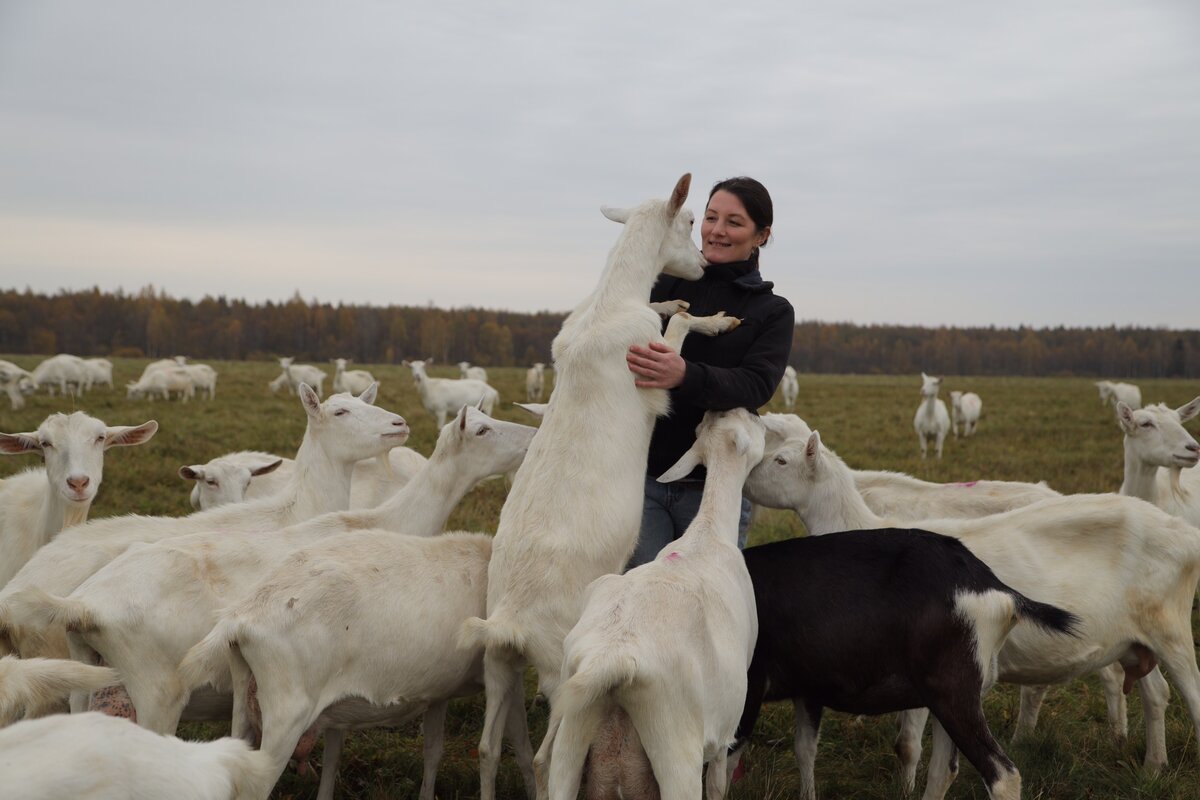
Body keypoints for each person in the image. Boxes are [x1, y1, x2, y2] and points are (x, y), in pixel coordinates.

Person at [625, 176, 795, 568]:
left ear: (761, 235)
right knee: (637, 602)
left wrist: (686, 374)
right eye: (710, 217)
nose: (717, 231)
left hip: (714, 489)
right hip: (640, 480)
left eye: (734, 223)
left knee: (701, 603)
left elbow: (755, 385)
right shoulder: (660, 289)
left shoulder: (772, 311)